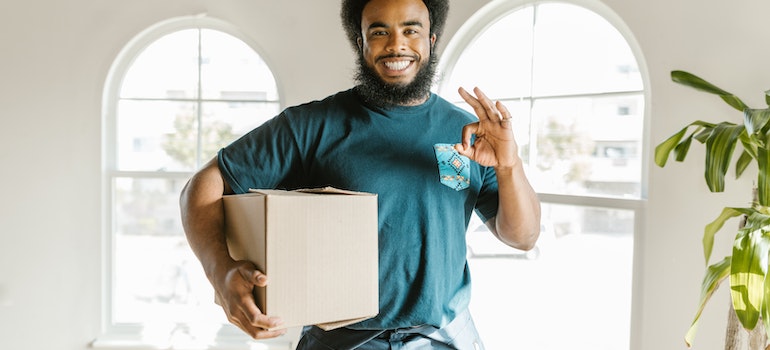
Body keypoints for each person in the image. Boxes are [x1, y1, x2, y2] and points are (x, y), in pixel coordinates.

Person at [179, 0, 541, 348]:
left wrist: (509, 166)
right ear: (361, 43)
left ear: (431, 41)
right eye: (379, 32)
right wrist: (221, 273)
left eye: (411, 31)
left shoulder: (469, 133)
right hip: (342, 341)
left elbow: (522, 237)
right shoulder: (310, 127)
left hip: (445, 338)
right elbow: (203, 186)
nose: (396, 44)